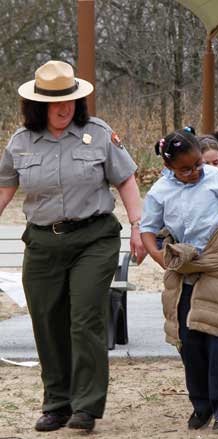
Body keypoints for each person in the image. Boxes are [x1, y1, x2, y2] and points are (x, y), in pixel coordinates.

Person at [0, 60, 145, 432]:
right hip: (43, 241)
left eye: (70, 100)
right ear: (37, 106)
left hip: (94, 237)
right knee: (48, 321)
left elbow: (126, 180)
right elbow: (5, 188)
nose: (64, 108)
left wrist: (137, 226)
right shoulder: (20, 142)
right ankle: (57, 403)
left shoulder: (97, 134)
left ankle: (86, 406)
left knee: (85, 319)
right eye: (55, 102)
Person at [140, 130, 218, 435]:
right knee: (189, 342)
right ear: (169, 167)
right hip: (184, 271)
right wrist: (164, 261)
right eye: (186, 169)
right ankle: (201, 404)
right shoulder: (159, 191)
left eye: (198, 164)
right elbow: (147, 232)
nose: (195, 172)